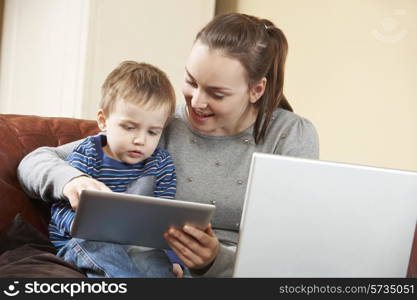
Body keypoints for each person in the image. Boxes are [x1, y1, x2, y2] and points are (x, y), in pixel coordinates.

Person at [17, 13, 319, 277]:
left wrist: (215, 261)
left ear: (256, 89)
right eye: (191, 81)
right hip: (151, 265)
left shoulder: (291, 135)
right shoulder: (160, 124)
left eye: (217, 93)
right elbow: (36, 161)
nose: (196, 102)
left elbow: (290, 249)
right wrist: (73, 180)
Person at [48, 60, 184, 278]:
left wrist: (172, 260)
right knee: (101, 247)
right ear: (103, 121)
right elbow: (60, 210)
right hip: (81, 241)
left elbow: (163, 220)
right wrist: (86, 226)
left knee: (153, 262)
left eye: (152, 132)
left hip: (134, 243)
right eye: (129, 128)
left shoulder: (161, 163)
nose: (140, 140)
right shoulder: (88, 155)